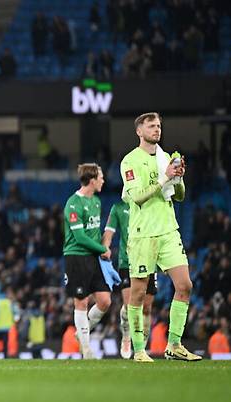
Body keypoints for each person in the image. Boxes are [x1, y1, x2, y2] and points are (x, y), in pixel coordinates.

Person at [120, 112, 202, 362]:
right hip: (143, 233)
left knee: (185, 285)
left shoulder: (165, 157)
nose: (157, 129)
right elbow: (137, 197)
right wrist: (165, 176)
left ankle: (174, 345)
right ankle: (138, 350)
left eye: (158, 126)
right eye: (151, 126)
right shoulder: (130, 160)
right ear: (139, 131)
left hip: (168, 229)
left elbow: (179, 196)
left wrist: (178, 178)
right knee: (138, 293)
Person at [62, 163, 111, 359]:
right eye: (101, 177)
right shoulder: (73, 203)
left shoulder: (96, 202)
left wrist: (102, 250)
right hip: (76, 256)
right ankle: (86, 348)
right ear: (92, 180)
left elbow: (95, 233)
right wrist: (103, 249)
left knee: (105, 301)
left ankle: (82, 331)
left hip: (93, 257)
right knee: (81, 302)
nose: (103, 180)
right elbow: (80, 237)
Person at [102, 199, 158, 359]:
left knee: (146, 307)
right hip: (127, 261)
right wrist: (105, 246)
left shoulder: (151, 205)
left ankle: (142, 347)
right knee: (129, 305)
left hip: (149, 260)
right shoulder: (118, 208)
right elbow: (108, 232)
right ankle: (126, 337)